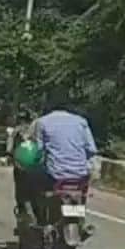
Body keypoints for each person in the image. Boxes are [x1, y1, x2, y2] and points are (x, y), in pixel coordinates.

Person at [28, 95, 98, 223]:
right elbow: (92, 149)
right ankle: (80, 218)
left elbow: (39, 150)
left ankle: (42, 219)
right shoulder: (81, 121)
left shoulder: (42, 122)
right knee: (82, 190)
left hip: (55, 175)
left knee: (34, 182)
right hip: (80, 175)